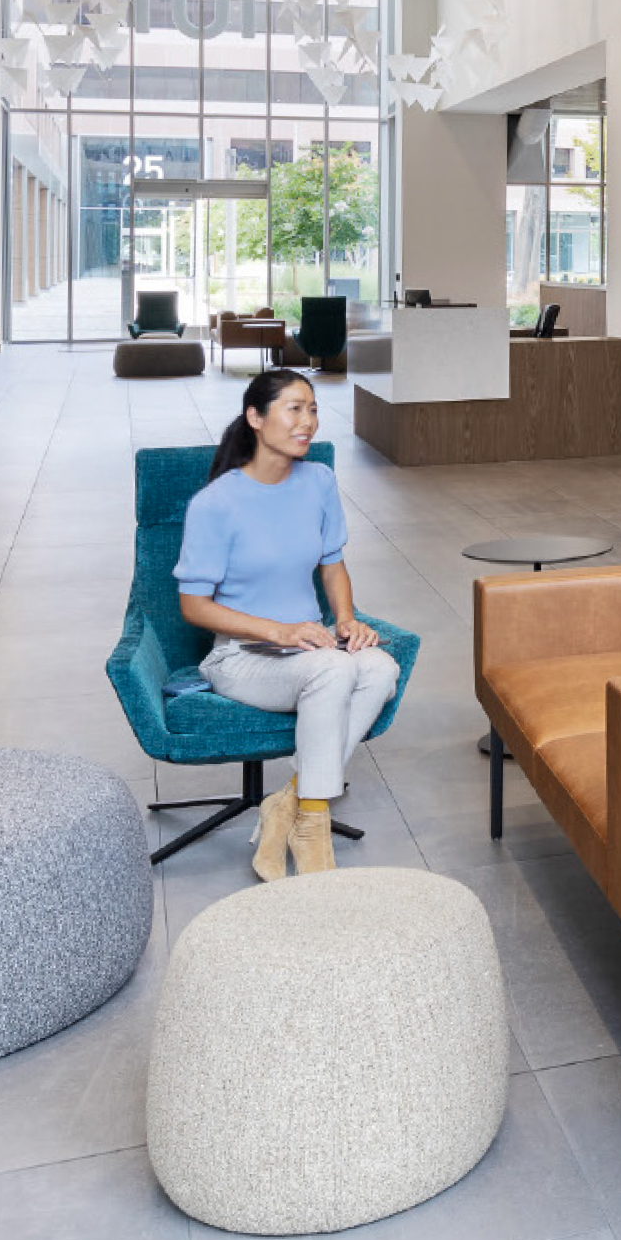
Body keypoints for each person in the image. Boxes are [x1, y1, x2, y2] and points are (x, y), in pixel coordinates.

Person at [176, 368, 400, 882]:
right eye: (294, 409)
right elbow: (194, 606)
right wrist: (278, 631)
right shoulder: (215, 503)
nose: (308, 422)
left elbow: (332, 564)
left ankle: (290, 803)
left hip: (309, 649)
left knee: (381, 669)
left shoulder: (318, 481)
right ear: (255, 418)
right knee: (334, 670)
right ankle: (313, 828)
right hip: (240, 657)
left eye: (313, 409)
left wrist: (347, 620)